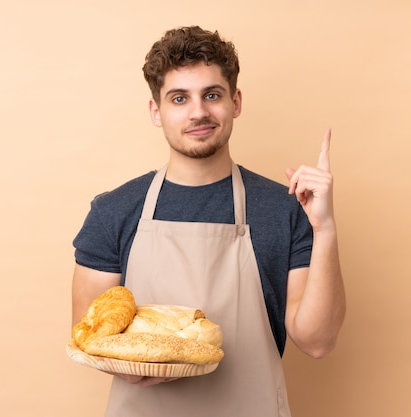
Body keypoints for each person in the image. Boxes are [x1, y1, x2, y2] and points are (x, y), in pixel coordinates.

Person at [71, 25, 346, 417]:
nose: (198, 112)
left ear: (235, 102)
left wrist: (325, 228)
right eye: (179, 98)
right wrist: (146, 365)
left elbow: (317, 341)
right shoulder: (113, 211)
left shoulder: (283, 209)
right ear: (156, 111)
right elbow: (90, 335)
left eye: (211, 95)